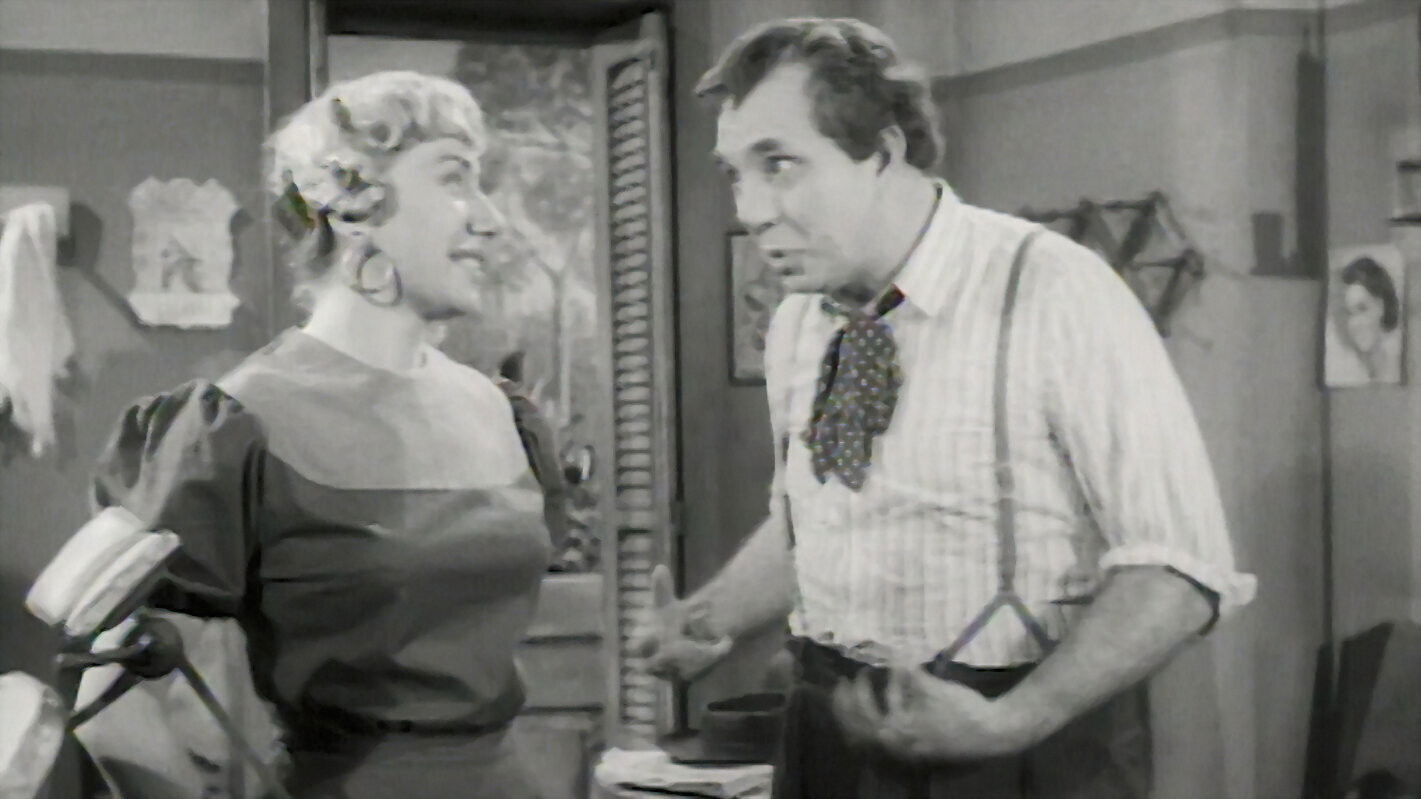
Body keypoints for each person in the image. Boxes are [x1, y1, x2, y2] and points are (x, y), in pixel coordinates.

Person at [632, 17, 1256, 798]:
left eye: (779, 165)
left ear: (883, 152)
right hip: (827, 736)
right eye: (735, 174)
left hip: (1017, 740)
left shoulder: (1050, 288)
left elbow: (1176, 569)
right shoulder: (798, 323)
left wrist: (1010, 721)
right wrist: (710, 617)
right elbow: (814, 520)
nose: (751, 209)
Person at [86, 71, 553, 798]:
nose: (490, 219)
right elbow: (109, 707)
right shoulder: (232, 427)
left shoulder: (502, 411)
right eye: (455, 177)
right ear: (355, 206)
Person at [1333, 255, 1402, 383]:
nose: (1354, 323)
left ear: (1383, 307)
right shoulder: (1345, 374)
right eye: (1349, 313)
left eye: (1362, 309)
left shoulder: (1401, 366)